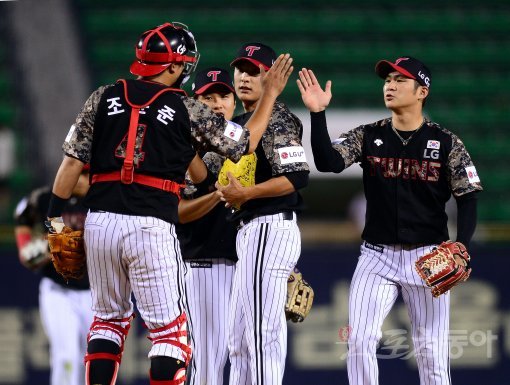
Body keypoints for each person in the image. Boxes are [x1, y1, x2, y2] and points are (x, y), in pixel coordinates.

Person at [45, 22, 293, 385]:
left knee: (107, 322)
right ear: (173, 66)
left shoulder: (102, 97)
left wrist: (53, 223)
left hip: (99, 222)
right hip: (150, 225)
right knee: (170, 335)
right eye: (184, 64)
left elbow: (69, 165)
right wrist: (269, 94)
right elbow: (245, 144)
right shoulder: (185, 106)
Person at [297, 57, 483, 385]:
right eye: (387, 80)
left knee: (432, 353)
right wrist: (317, 113)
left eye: (400, 80)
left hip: (429, 257)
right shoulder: (370, 135)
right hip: (377, 256)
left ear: (422, 91)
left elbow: (467, 196)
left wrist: (462, 245)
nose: (390, 86)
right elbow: (328, 163)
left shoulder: (445, 142)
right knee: (359, 340)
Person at [215, 43, 310, 385]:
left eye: (254, 71)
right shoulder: (239, 124)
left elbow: (298, 176)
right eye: (240, 69)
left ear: (271, 77)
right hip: (249, 232)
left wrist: (247, 193)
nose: (243, 77)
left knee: (260, 332)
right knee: (238, 341)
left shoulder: (279, 118)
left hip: (270, 227)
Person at [177, 67, 238, 385]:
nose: (217, 103)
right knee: (206, 365)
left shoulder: (248, 144)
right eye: (207, 97)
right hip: (202, 266)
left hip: (245, 268)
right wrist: (217, 194)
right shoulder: (183, 147)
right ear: (194, 102)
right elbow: (179, 213)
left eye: (223, 95)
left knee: (248, 358)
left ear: (235, 99)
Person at [14, 165, 93, 385]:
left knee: (94, 360)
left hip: (95, 294)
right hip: (58, 291)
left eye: (86, 173)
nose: (79, 178)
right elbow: (24, 226)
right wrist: (38, 247)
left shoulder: (103, 202)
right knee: (66, 355)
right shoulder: (46, 199)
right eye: (77, 171)